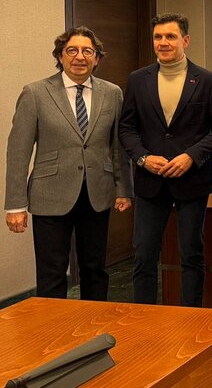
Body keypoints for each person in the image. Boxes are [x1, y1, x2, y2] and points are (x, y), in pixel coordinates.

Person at [5, 27, 133, 299]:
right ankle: (53, 336)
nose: (80, 57)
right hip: (50, 195)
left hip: (97, 193)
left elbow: (118, 147)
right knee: (52, 274)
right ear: (60, 57)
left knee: (95, 270)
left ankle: (93, 333)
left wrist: (123, 189)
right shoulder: (35, 93)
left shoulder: (112, 93)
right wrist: (16, 205)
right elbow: (18, 151)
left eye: (88, 51)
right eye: (71, 50)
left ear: (97, 58)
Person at [118, 13, 212, 307]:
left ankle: (189, 316)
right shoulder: (137, 80)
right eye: (158, 37)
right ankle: (143, 315)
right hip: (150, 181)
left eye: (170, 37)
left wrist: (191, 156)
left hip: (191, 180)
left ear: (185, 40)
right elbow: (126, 128)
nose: (163, 43)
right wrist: (143, 158)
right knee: (143, 254)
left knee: (191, 253)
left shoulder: (208, 81)